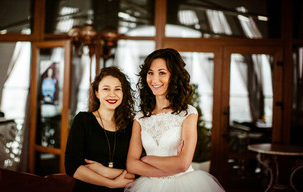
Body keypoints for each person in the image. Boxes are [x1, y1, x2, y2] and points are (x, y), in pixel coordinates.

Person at [125, 48, 225, 192]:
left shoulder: (188, 113)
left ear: (174, 77)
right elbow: (131, 164)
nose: (154, 79)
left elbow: (183, 164)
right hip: (148, 186)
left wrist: (147, 159)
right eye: (150, 72)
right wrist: (169, 167)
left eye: (162, 73)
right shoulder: (140, 117)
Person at [65, 66, 136, 192]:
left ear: (123, 93)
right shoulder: (83, 120)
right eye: (106, 89)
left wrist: (106, 171)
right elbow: (72, 167)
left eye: (117, 89)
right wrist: (110, 183)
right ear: (97, 93)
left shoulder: (131, 126)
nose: (112, 94)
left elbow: (137, 171)